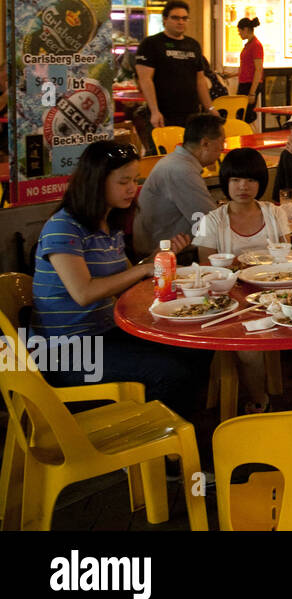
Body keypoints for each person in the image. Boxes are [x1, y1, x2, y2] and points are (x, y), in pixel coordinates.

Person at [32, 141, 209, 408]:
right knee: (170, 373)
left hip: (106, 334)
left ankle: (178, 435)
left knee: (197, 346)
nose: (132, 188)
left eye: (135, 180)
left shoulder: (108, 224)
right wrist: (144, 268)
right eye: (123, 181)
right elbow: (84, 293)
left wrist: (157, 258)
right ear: (96, 182)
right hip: (67, 351)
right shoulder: (63, 227)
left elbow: (128, 279)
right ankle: (150, 440)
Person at [194, 148, 289, 414]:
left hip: (275, 294)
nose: (243, 187)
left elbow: (287, 259)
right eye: (235, 180)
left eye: (250, 180)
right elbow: (207, 270)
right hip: (232, 301)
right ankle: (260, 399)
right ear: (226, 182)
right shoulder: (211, 221)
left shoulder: (274, 214)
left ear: (261, 182)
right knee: (249, 346)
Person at [134, 113, 223, 257]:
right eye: (221, 142)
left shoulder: (177, 162)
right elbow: (210, 222)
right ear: (205, 143)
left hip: (170, 248)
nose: (222, 148)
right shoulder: (180, 169)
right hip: (159, 255)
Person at [135, 0, 213, 130]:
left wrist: (210, 108)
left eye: (184, 18)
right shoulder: (151, 44)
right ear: (165, 20)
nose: (180, 22)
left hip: (191, 114)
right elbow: (145, 80)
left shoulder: (193, 45)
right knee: (164, 150)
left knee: (191, 150)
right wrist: (154, 111)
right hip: (163, 114)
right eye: (175, 18)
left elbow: (200, 80)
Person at [235, 17, 264, 123]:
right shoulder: (249, 45)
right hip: (245, 83)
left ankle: (249, 136)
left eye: (240, 31)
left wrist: (252, 92)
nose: (239, 34)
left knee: (245, 115)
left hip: (250, 84)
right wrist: (232, 74)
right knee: (242, 114)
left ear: (246, 30)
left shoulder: (256, 45)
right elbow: (247, 66)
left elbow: (258, 69)